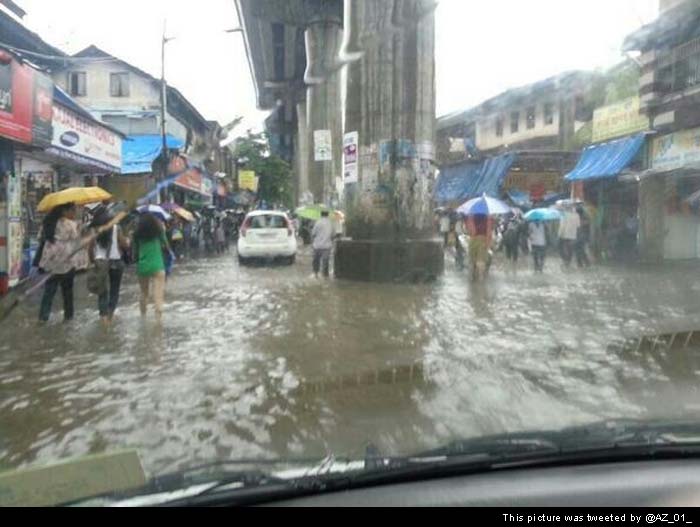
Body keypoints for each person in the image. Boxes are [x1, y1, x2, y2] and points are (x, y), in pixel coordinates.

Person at [37, 203, 82, 323]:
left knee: (49, 292)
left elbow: (39, 237)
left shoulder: (48, 223)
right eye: (72, 210)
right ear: (64, 211)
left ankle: (43, 318)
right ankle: (68, 317)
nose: (74, 213)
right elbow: (76, 238)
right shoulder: (69, 224)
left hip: (51, 260)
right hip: (66, 260)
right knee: (67, 292)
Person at [90, 211, 129, 325]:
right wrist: (127, 241)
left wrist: (92, 261)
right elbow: (123, 244)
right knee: (114, 290)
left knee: (102, 291)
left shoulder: (95, 230)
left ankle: (103, 317)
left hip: (100, 261)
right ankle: (110, 316)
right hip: (115, 261)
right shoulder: (117, 228)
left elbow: (90, 248)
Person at [133, 213, 170, 322]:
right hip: (157, 265)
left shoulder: (136, 234)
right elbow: (166, 246)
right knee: (158, 295)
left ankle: (143, 317)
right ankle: (158, 322)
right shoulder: (159, 232)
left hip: (143, 266)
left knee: (144, 293)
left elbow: (135, 252)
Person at [311, 210, 334, 278]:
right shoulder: (331, 223)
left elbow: (313, 234)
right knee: (325, 263)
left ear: (321, 214)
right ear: (328, 214)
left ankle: (316, 274)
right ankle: (325, 276)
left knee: (316, 261)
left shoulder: (317, 222)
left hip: (317, 246)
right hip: (327, 246)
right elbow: (333, 234)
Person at [575, 203, 591, 268]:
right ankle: (582, 263)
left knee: (580, 249)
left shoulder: (585, 218)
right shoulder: (579, 217)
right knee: (579, 250)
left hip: (583, 236)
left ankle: (583, 263)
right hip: (578, 236)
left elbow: (586, 226)